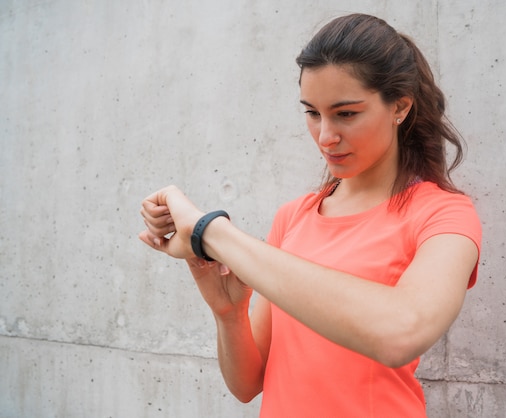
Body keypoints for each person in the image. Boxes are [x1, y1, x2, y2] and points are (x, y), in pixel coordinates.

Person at [139, 13, 481, 417]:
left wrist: (209, 232)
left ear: (400, 107)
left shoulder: (444, 216)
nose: (325, 136)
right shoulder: (293, 216)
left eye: (346, 114)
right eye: (312, 113)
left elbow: (400, 333)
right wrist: (228, 315)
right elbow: (248, 384)